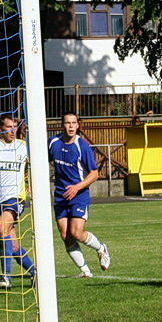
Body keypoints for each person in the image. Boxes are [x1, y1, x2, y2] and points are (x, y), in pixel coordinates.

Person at [0, 113, 36, 289]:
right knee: (13, 244)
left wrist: (28, 183)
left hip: (15, 198)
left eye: (14, 127)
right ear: (0, 129)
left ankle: (6, 277)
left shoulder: (24, 147)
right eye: (8, 127)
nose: (12, 131)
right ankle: (35, 273)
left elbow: (34, 167)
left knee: (3, 227)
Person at [48, 112, 110, 277]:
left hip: (79, 195)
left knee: (76, 232)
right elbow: (42, 160)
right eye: (67, 123)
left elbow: (94, 174)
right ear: (62, 125)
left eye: (73, 123)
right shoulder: (53, 143)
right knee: (64, 235)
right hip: (61, 195)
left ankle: (101, 248)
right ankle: (85, 271)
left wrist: (76, 187)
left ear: (78, 125)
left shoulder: (82, 146)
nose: (70, 126)